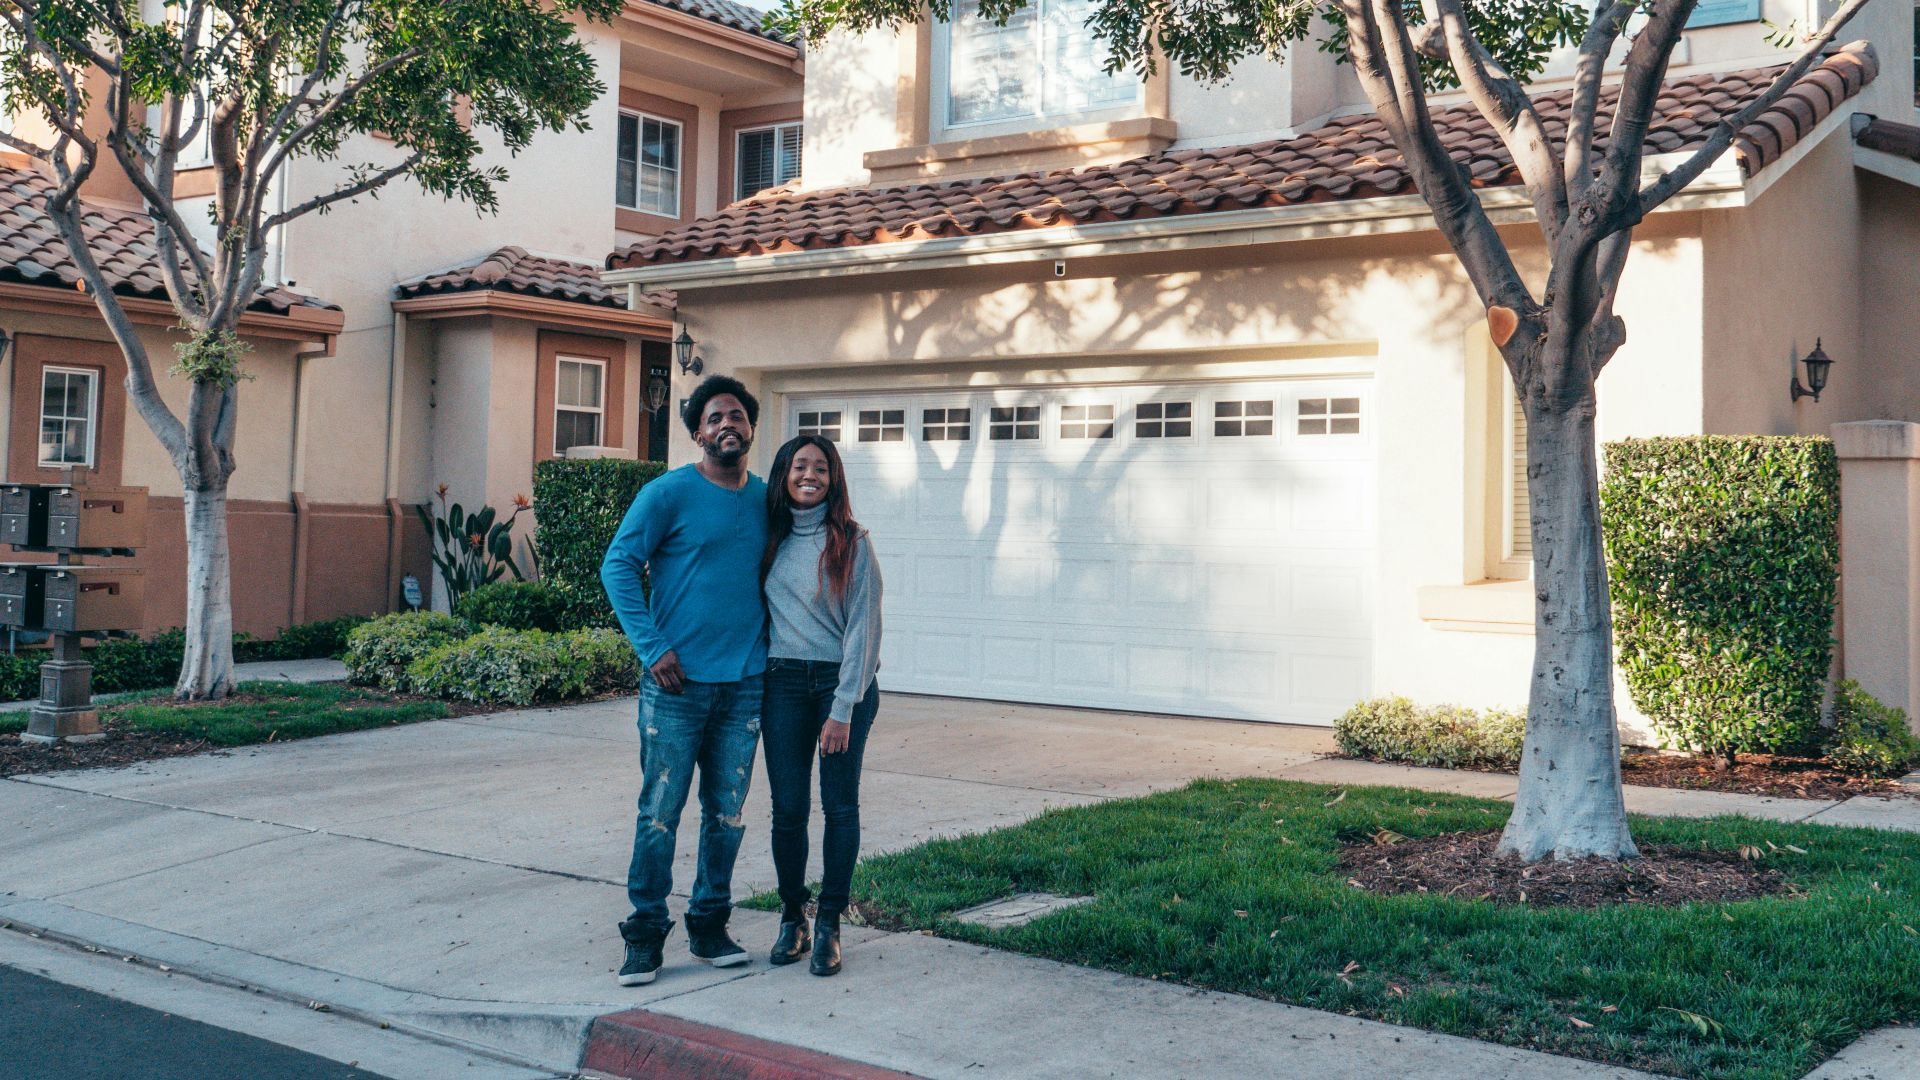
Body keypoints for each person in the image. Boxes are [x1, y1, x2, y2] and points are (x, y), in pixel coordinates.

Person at [601, 374, 769, 986]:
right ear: (698, 432)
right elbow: (617, 565)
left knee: (726, 815)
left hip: (746, 684)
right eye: (715, 417)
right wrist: (653, 648)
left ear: (751, 427)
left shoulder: (765, 499)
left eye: (738, 416)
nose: (728, 424)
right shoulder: (667, 493)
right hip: (674, 686)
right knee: (660, 812)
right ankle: (644, 936)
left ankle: (709, 924)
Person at [758, 435, 883, 977]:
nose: (810, 475)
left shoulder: (852, 541)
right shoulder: (769, 537)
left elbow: (864, 629)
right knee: (787, 809)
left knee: (840, 807)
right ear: (783, 473)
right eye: (800, 466)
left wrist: (843, 707)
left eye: (822, 468)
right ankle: (793, 916)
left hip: (841, 684)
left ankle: (830, 920)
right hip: (781, 683)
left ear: (834, 480)